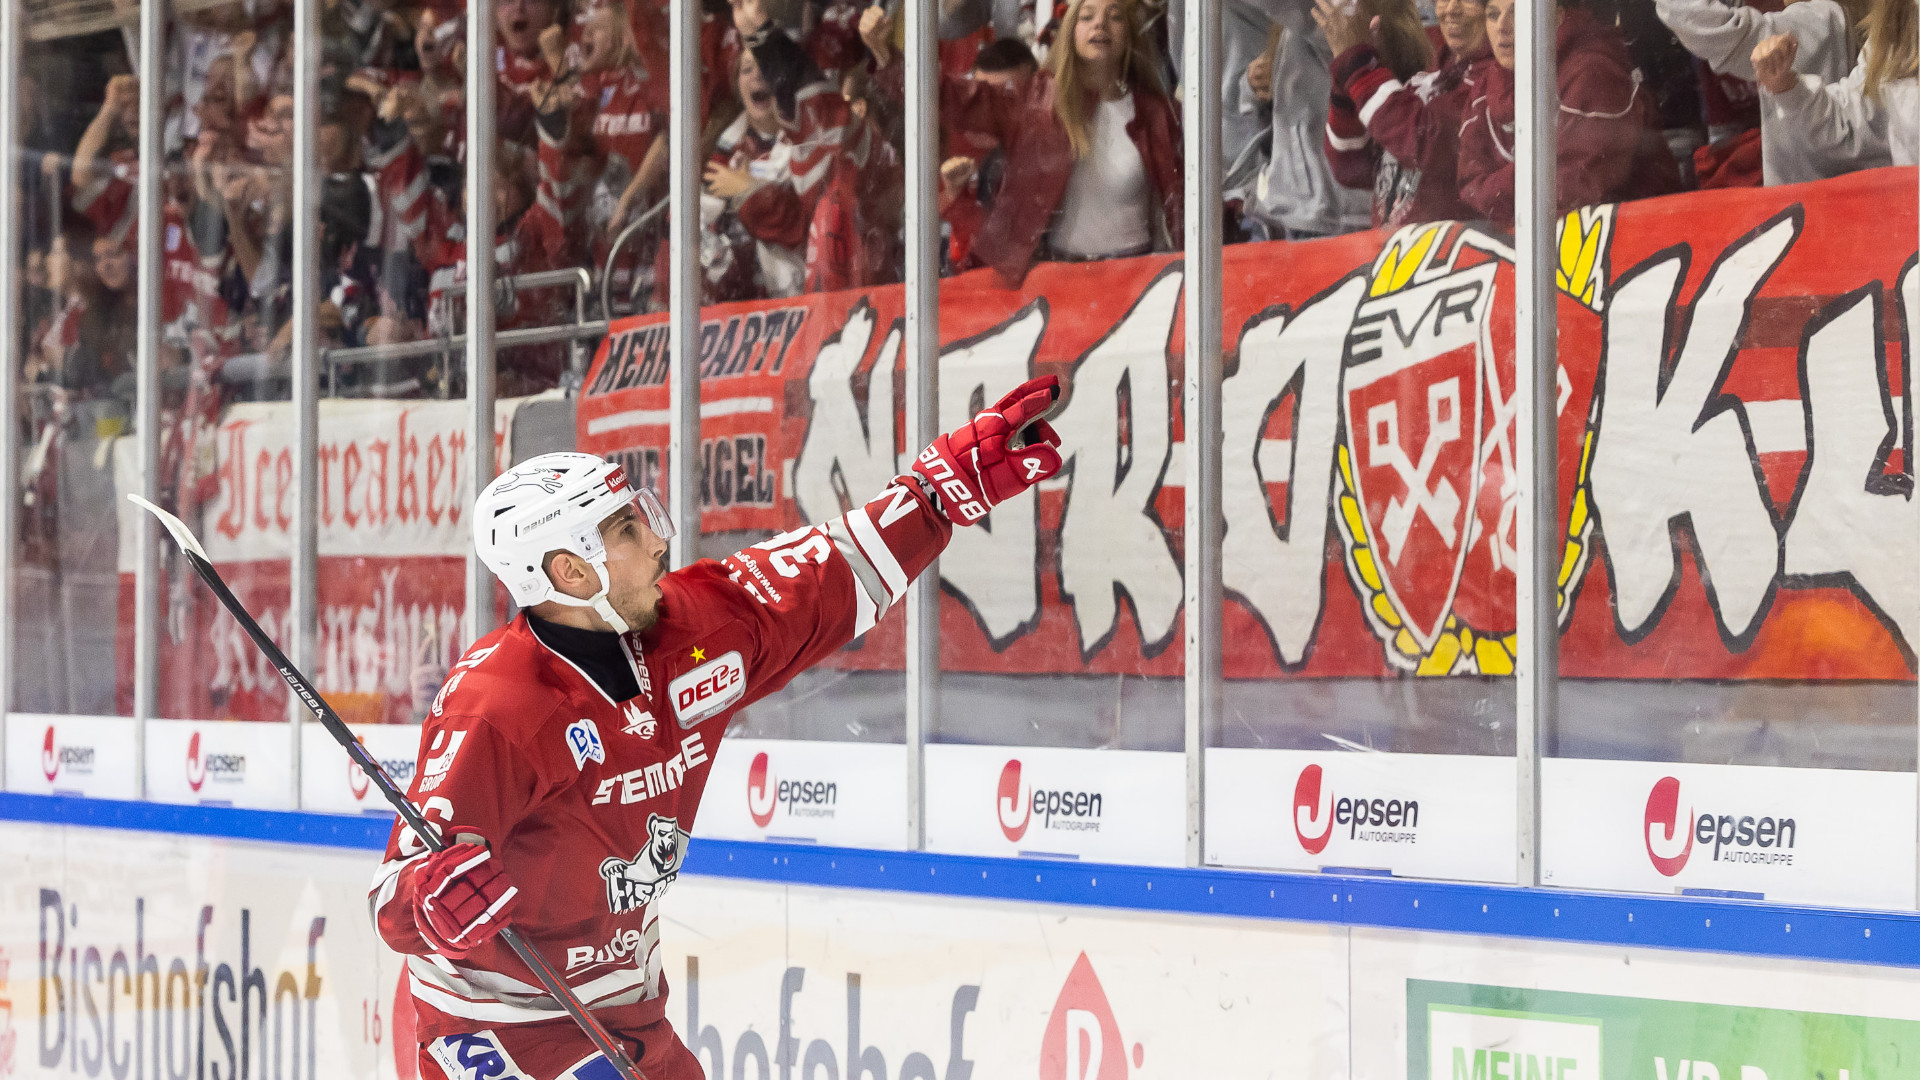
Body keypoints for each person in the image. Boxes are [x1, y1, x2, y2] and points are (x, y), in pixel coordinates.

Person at [371, 378, 1066, 1080]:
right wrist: (431, 898)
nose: (656, 544)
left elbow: (824, 576)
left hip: (626, 1013)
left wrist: (936, 494)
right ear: (571, 573)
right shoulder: (496, 706)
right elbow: (397, 890)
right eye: (625, 531)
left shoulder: (692, 629)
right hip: (496, 1025)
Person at [864, 0, 1182, 285]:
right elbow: (951, 99)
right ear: (1070, 31)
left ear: (1129, 36)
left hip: (1136, 280)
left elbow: (1182, 201)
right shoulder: (1036, 102)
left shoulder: (1156, 112)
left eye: (1114, 17)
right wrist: (885, 56)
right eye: (1086, 16)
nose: (1099, 23)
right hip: (1056, 280)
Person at [1456, 0, 1682, 229]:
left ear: (1557, 17)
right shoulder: (1484, 88)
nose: (1501, 27)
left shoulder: (1592, 71)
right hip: (1528, 242)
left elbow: (1574, 183)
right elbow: (1470, 187)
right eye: (1493, 15)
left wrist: (1501, 189)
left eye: (1517, 13)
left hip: (1631, 237)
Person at [1656, 0, 1874, 183]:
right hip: (1797, 187)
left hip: (1813, 190)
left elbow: (1721, 32)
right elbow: (1720, 128)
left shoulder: (1821, 19)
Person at [1320, 0, 1491, 227]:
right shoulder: (1427, 81)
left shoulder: (1498, 84)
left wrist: (1357, 65)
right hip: (1395, 257)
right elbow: (1350, 166)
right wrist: (1346, 73)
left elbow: (1426, 144)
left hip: (1450, 258)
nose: (1451, 9)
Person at [1751, 0, 1916, 168]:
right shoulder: (1902, 19)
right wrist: (1786, 87)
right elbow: (1853, 121)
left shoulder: (1820, 17)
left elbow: (1739, 38)